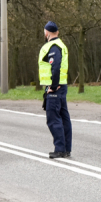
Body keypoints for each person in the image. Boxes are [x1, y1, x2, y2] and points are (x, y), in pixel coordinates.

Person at [38, 21, 71, 159]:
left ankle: (60, 149)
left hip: (55, 88)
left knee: (53, 119)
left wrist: (52, 86)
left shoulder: (53, 46)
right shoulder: (61, 45)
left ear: (47, 32)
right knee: (64, 118)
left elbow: (55, 66)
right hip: (61, 86)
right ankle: (66, 148)